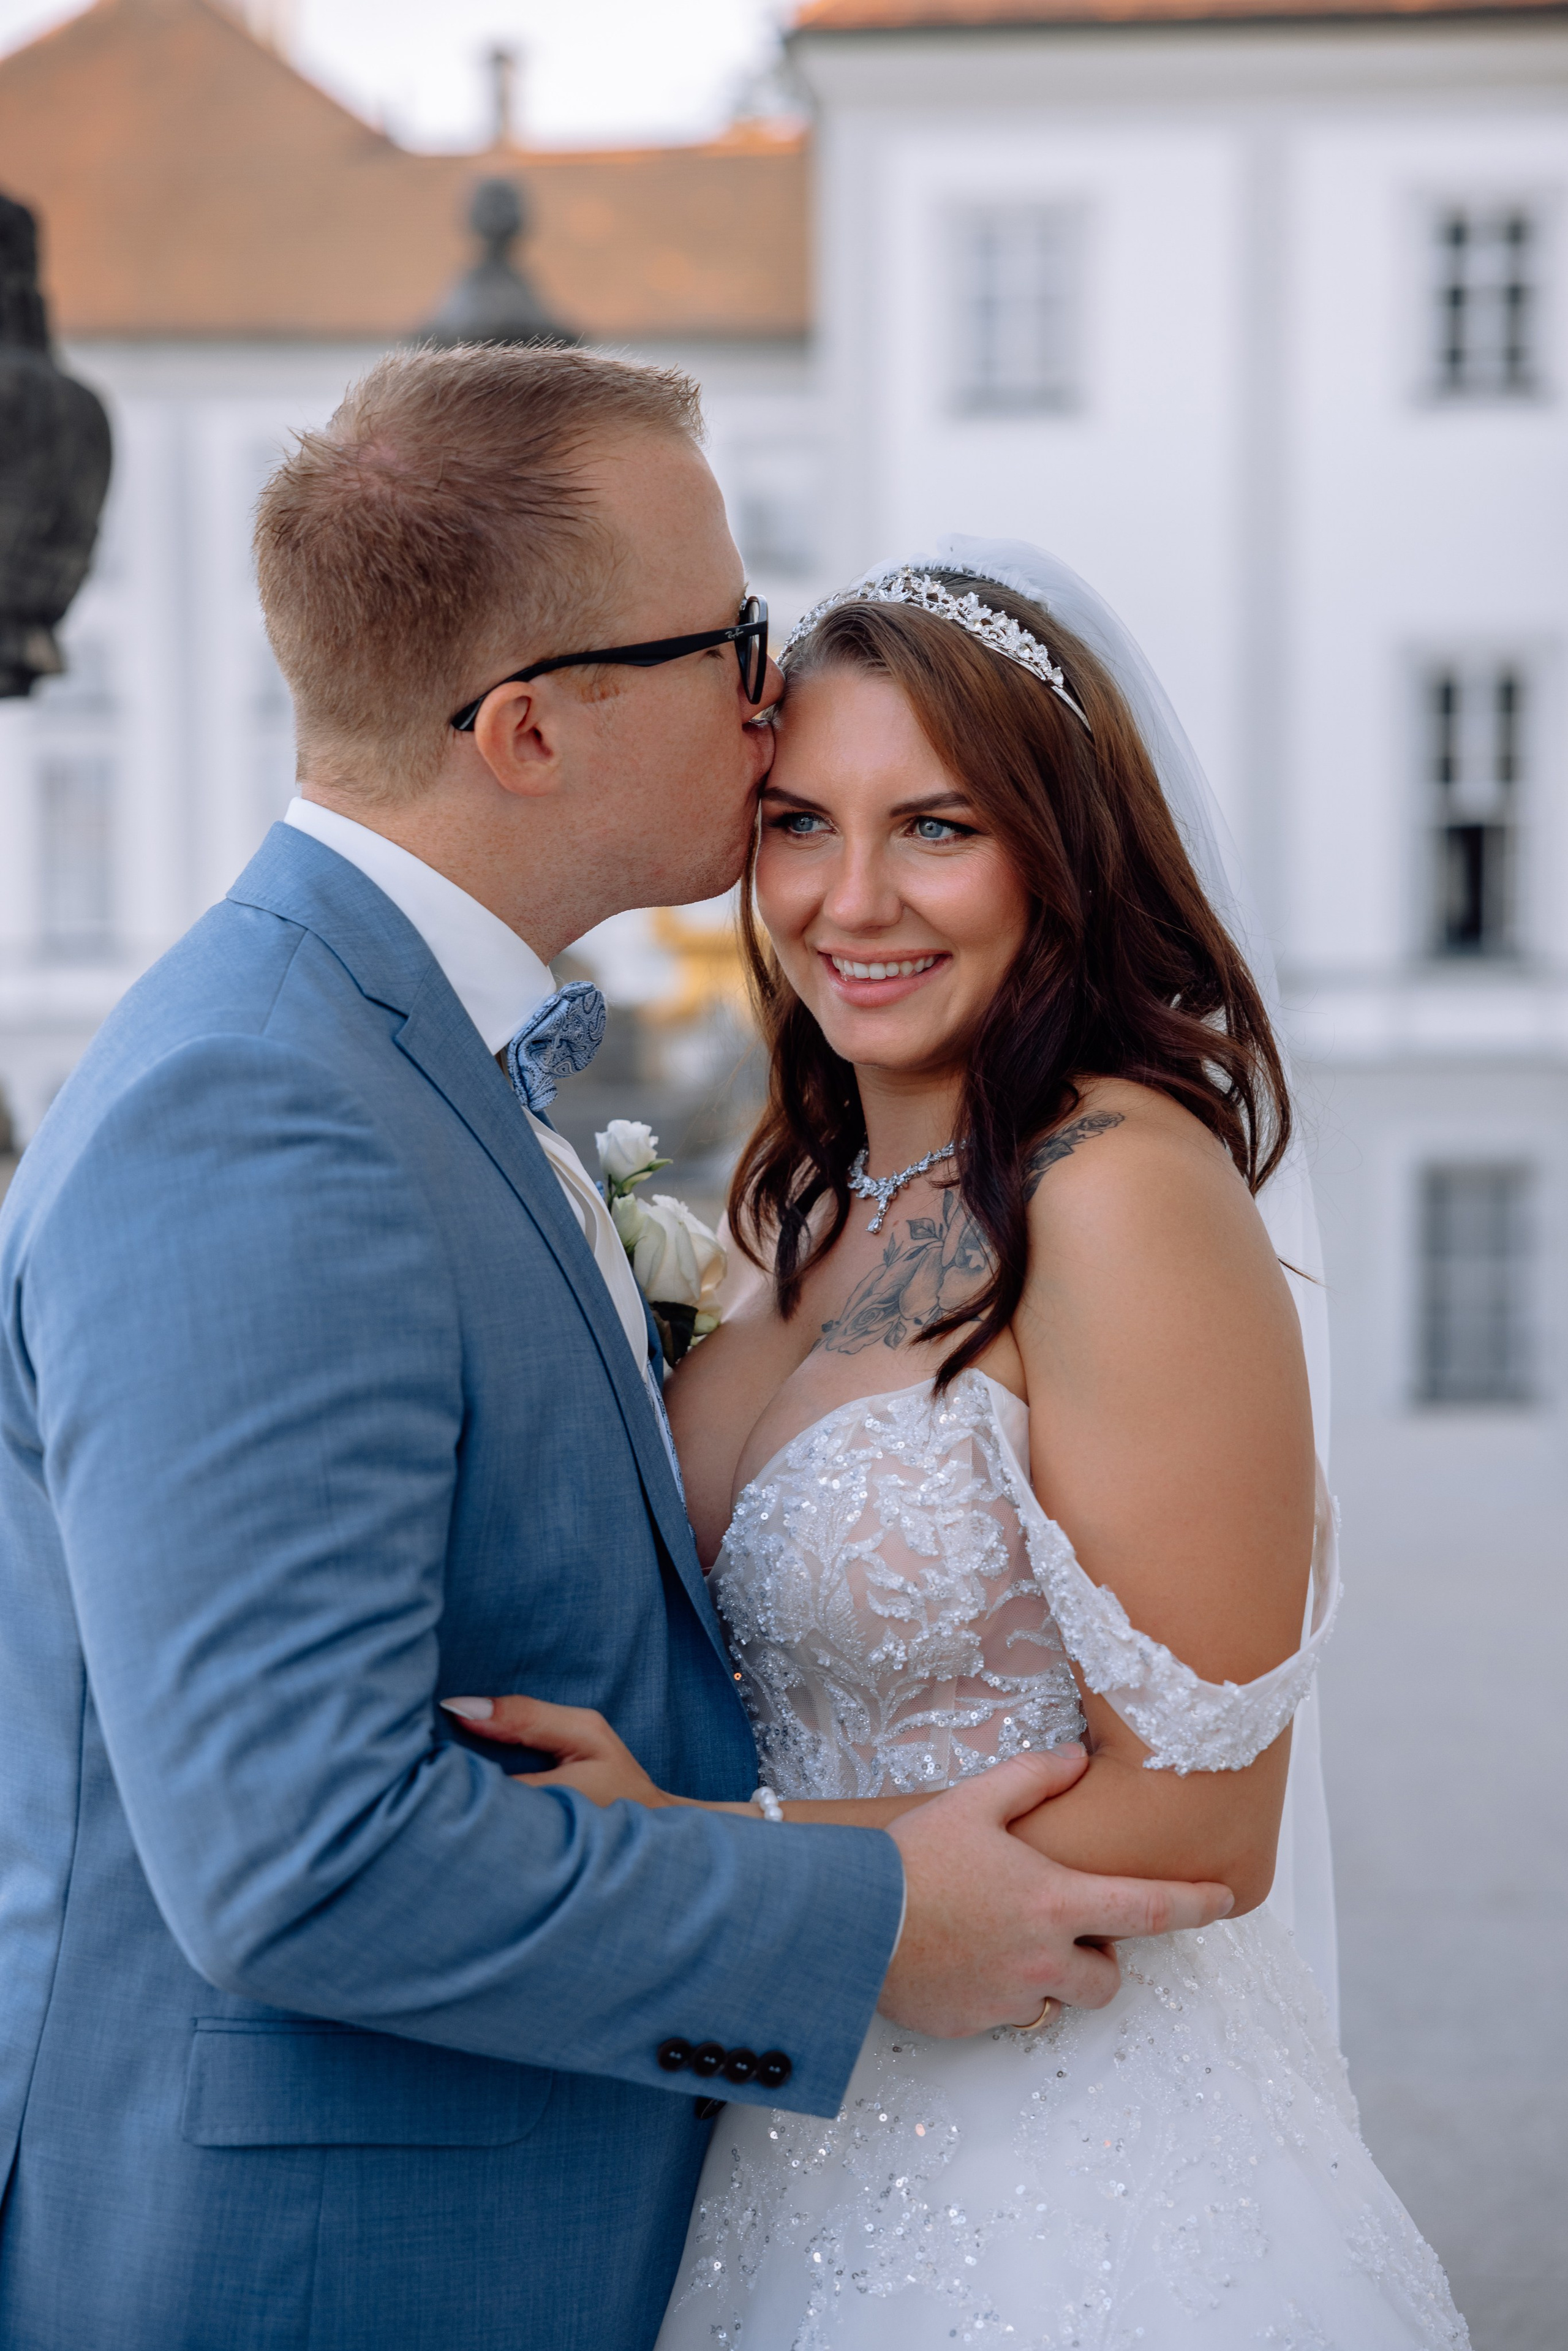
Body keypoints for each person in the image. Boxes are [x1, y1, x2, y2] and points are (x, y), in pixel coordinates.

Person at [0, 358, 1231, 2351]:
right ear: (530, 727)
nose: (770, 703)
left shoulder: (407, 1063)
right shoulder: (257, 1105)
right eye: (731, 643)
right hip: (318, 2286)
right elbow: (300, 1861)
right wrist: (860, 1918)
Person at [467, 545, 1471, 2346]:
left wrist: (695, 1858)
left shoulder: (1126, 1193)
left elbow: (1206, 1820)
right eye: (796, 824)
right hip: (785, 2142)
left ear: (1059, 854)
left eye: (937, 827)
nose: (854, 900)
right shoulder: (793, 1212)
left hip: (1082, 2183)